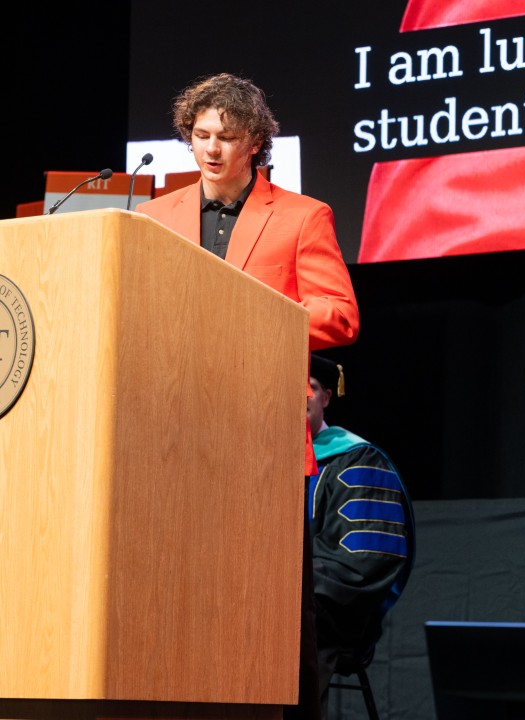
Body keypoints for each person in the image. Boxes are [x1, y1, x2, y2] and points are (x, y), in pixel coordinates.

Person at [136, 73, 360, 720]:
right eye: (200, 136)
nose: (210, 150)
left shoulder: (300, 217)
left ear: (256, 141)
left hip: (260, 444)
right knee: (178, 609)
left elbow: (339, 317)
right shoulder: (152, 221)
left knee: (274, 622)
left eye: (226, 138)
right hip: (168, 438)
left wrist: (251, 311)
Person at [307, 354, 413, 719]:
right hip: (267, 601)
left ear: (326, 398)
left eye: (311, 387)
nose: (299, 395)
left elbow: (363, 559)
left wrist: (288, 585)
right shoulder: (252, 461)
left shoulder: (356, 460)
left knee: (295, 624)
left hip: (332, 609)